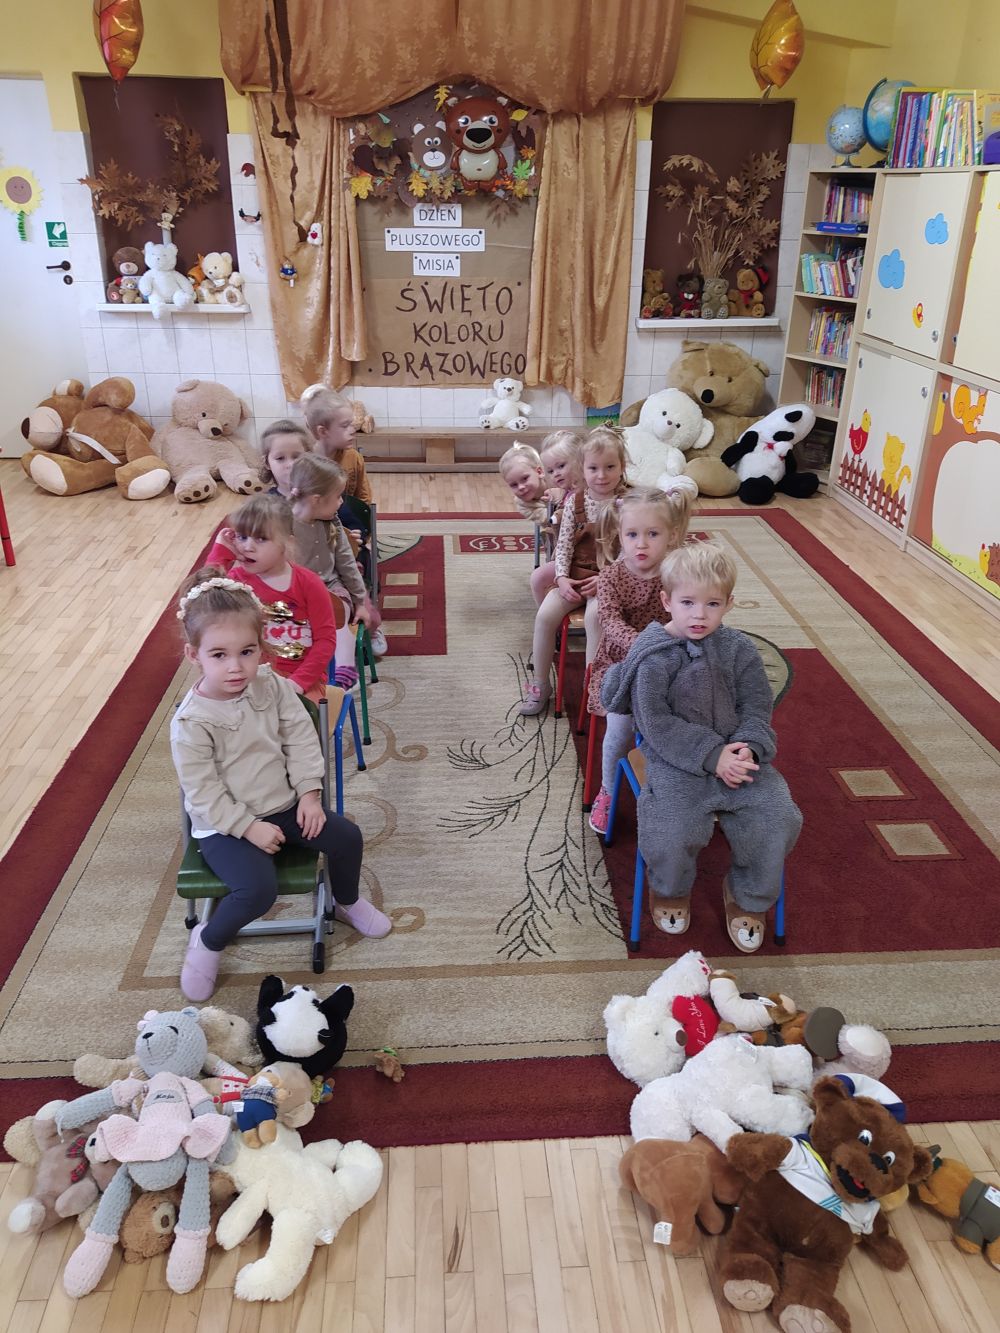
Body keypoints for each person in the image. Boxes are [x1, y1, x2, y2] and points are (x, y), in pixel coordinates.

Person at [170, 570, 392, 1001]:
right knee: (257, 890)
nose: (236, 666)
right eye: (219, 655)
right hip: (225, 826)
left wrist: (309, 793)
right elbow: (203, 792)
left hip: (285, 805)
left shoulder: (271, 685)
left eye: (247, 651)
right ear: (194, 655)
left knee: (346, 837)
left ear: (261, 645)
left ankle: (344, 901)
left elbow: (301, 738)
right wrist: (248, 827)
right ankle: (208, 940)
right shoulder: (191, 722)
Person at [600, 542, 802, 953]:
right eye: (687, 602)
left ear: (729, 604)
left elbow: (757, 706)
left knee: (778, 817)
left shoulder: (739, 649)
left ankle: (748, 897)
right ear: (666, 601)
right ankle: (669, 889)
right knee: (671, 829)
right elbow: (656, 724)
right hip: (676, 761)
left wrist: (749, 746)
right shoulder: (653, 657)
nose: (699, 615)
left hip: (738, 755)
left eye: (712, 604)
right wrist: (712, 755)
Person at [586, 487, 693, 835]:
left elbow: (691, 609)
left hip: (670, 664)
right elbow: (610, 622)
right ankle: (607, 790)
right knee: (619, 731)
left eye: (653, 534)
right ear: (620, 535)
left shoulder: (677, 574)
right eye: (632, 534)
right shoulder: (611, 577)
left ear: (672, 535)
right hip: (621, 668)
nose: (641, 544)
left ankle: (683, 787)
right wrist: (648, 646)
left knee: (691, 718)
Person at [519, 427, 630, 715]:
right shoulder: (575, 502)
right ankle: (540, 684)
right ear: (583, 468)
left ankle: (592, 687)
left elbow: (629, 551)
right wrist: (561, 577)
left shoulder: (628, 504)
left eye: (610, 467)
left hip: (609, 580)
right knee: (545, 616)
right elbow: (564, 544)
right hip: (575, 575)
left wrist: (606, 580)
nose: (601, 475)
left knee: (595, 618)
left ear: (622, 466)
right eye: (593, 468)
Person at [210, 493, 337, 702]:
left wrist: (298, 683)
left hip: (300, 680)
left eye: (261, 539)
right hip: (246, 677)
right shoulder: (235, 581)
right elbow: (202, 605)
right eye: (241, 537)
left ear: (286, 544)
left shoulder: (309, 583)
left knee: (300, 717)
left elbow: (325, 640)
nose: (247, 547)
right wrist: (220, 553)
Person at [300, 385, 387, 656]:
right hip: (313, 531)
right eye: (345, 425)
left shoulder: (353, 458)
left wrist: (361, 536)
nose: (353, 430)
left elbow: (363, 501)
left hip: (347, 527)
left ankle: (368, 619)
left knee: (361, 562)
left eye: (353, 424)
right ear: (322, 431)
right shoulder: (305, 461)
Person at [498, 441, 548, 524]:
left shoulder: (555, 480)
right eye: (514, 485)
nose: (520, 487)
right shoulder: (523, 505)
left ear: (539, 472)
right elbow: (549, 520)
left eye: (525, 478)